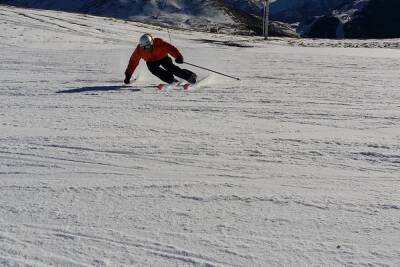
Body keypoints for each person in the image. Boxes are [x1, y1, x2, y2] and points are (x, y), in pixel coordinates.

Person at [124, 33, 197, 86]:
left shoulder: (159, 42)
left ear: (152, 42)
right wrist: (128, 75)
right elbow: (133, 62)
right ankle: (171, 80)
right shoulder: (139, 50)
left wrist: (178, 57)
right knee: (154, 69)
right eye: (145, 47)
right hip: (151, 61)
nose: (147, 49)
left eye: (148, 46)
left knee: (171, 68)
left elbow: (170, 48)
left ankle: (190, 76)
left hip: (163, 58)